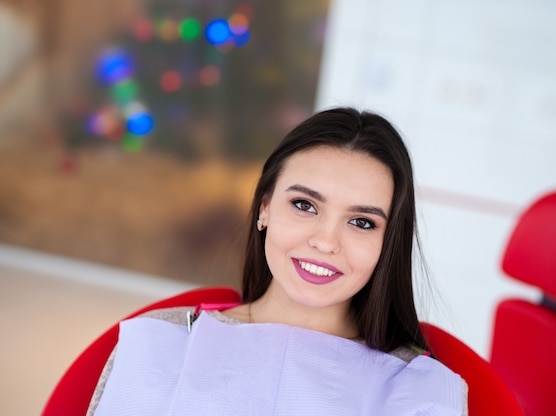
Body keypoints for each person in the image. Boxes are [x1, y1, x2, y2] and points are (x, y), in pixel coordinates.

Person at [89, 107, 468, 415]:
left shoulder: (421, 392)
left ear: (388, 243)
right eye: (305, 205)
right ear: (265, 208)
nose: (324, 241)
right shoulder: (160, 341)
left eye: (361, 222)